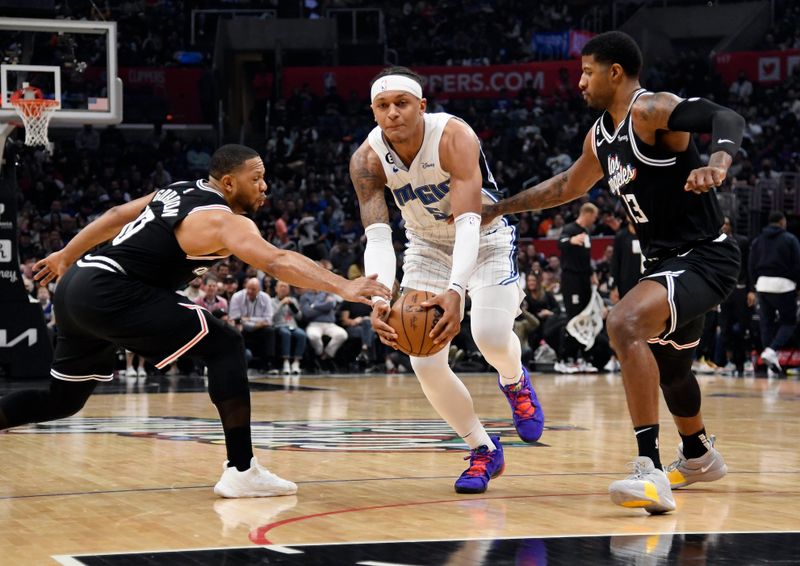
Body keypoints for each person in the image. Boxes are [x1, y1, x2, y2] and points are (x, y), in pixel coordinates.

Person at [0, 144, 389, 498]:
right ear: (228, 182)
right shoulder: (223, 221)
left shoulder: (178, 190)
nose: (265, 187)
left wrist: (67, 254)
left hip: (78, 287)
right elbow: (276, 261)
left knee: (61, 400)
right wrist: (345, 286)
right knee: (225, 345)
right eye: (256, 179)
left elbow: (117, 215)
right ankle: (241, 468)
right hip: (110, 290)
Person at [481, 32, 745, 513]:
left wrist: (718, 162)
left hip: (705, 255)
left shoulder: (651, 110)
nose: (579, 82)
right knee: (673, 370)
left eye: (587, 71)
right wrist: (500, 208)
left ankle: (649, 471)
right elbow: (566, 184)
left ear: (615, 72)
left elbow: (726, 117)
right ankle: (699, 453)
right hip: (665, 262)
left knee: (623, 323)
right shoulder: (600, 137)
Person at [350, 66, 544, 495]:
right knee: (423, 357)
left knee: (490, 336)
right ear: (373, 111)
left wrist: (456, 291)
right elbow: (379, 237)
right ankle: (483, 450)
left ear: (421, 106)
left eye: (402, 103)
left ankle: (514, 380)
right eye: (383, 106)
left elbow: (470, 221)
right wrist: (381, 299)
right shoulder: (366, 159)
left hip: (485, 236)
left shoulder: (454, 137)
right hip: (425, 245)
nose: (393, 113)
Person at [749, 211, 800, 377]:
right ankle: (771, 351)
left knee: (766, 323)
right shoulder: (790, 239)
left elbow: (751, 264)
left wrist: (754, 285)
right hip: (784, 285)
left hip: (762, 284)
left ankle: (769, 356)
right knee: (789, 322)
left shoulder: (758, 240)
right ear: (782, 221)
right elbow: (797, 263)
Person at [556, 202, 599, 373]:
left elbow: (586, 258)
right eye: (594, 217)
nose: (594, 220)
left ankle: (581, 358)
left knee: (584, 317)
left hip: (584, 279)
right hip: (571, 279)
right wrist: (571, 240)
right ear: (587, 213)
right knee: (573, 316)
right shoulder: (569, 229)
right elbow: (560, 243)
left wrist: (592, 274)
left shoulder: (587, 232)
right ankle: (564, 358)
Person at [229, 277, 276, 373]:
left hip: (259, 329)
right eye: (248, 288)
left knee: (270, 331)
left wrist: (249, 319)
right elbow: (235, 318)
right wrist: (256, 323)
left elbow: (269, 320)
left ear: (259, 290)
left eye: (253, 289)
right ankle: (240, 364)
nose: (249, 291)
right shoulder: (237, 297)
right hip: (243, 328)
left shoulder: (265, 297)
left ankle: (267, 364)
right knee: (237, 329)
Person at [272, 280, 306, 375]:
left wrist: (292, 306)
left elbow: (299, 317)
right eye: (281, 286)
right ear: (276, 289)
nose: (283, 288)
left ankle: (296, 362)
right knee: (285, 333)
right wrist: (281, 304)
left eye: (285, 287)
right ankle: (286, 361)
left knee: (302, 334)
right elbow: (272, 317)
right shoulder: (272, 301)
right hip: (279, 325)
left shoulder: (293, 300)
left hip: (293, 326)